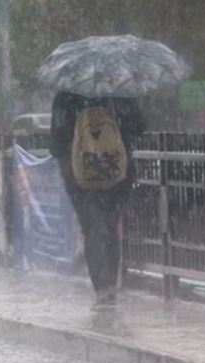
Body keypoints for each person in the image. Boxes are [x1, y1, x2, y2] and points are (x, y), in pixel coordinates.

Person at [50, 91, 146, 310]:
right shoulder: (120, 91)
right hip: (117, 171)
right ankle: (111, 286)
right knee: (112, 226)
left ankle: (101, 291)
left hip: (79, 176)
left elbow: (56, 142)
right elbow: (140, 126)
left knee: (92, 228)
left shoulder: (66, 94)